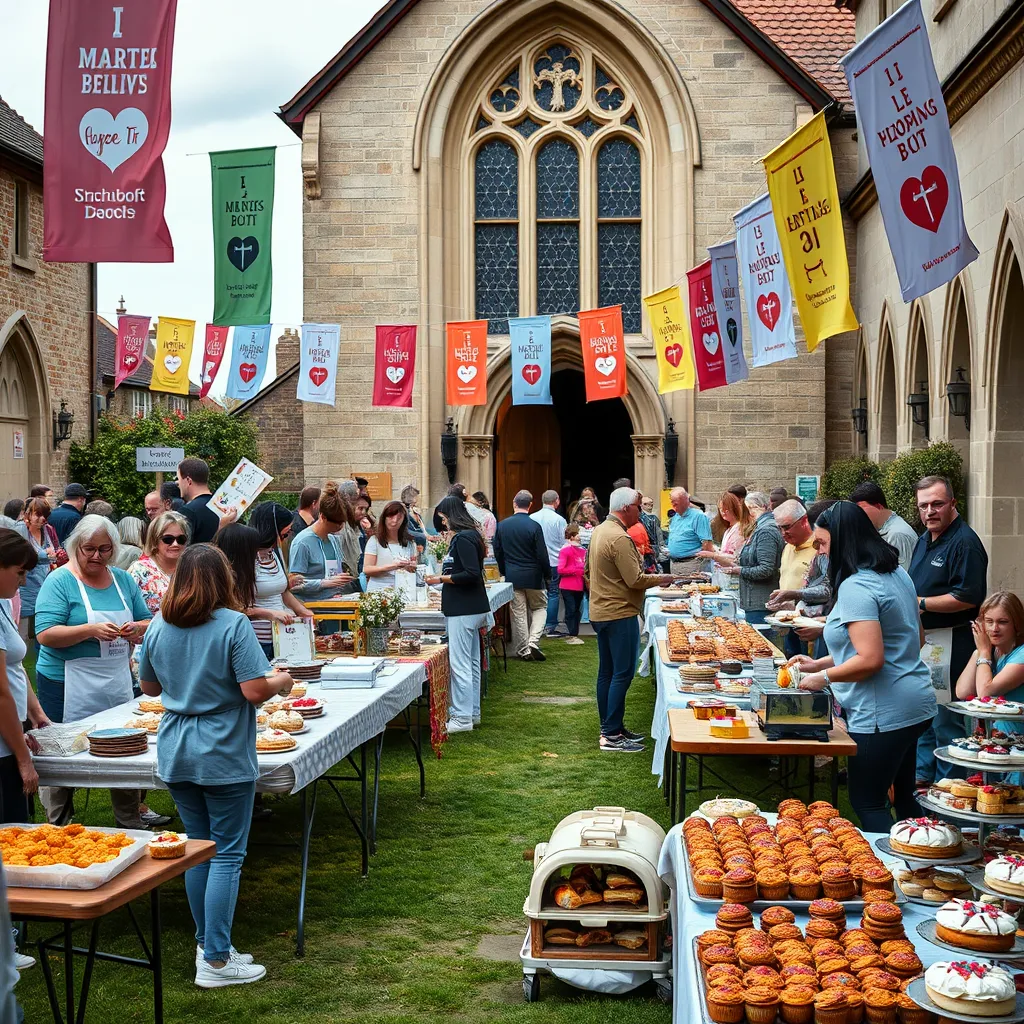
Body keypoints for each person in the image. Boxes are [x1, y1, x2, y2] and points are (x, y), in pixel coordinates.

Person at [139, 544, 294, 988]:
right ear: (223, 579)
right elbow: (253, 691)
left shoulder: (159, 625)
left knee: (199, 850)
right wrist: (281, 680)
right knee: (225, 854)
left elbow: (149, 686)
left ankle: (210, 946)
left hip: (177, 747)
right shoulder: (234, 624)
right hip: (222, 750)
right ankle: (217, 960)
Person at [788, 502, 936, 832]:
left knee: (867, 801)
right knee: (905, 798)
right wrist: (818, 663)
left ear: (844, 542)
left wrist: (821, 678)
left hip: (884, 711)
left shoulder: (857, 586)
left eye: (824, 544)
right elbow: (911, 638)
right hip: (916, 702)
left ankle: (887, 876)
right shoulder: (897, 574)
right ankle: (922, 869)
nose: (820, 552)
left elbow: (870, 659)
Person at [34, 514, 153, 829]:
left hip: (115, 680)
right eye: (89, 549)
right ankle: (58, 823)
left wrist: (135, 628)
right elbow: (45, 634)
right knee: (60, 752)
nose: (97, 556)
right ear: (76, 546)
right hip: (65, 682)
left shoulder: (122, 580)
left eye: (104, 549)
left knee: (124, 747)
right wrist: (89, 630)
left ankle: (129, 820)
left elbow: (149, 621)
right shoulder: (60, 580)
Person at [910, 475, 989, 785]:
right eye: (924, 506)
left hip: (953, 643)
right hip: (926, 643)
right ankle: (922, 782)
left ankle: (950, 787)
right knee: (926, 717)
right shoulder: (924, 539)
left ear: (953, 504)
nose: (930, 511)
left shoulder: (965, 543)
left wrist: (922, 603)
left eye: (937, 504)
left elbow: (967, 596)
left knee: (946, 721)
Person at [587, 487, 673, 753]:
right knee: (621, 674)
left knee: (608, 673)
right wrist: (664, 579)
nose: (641, 510)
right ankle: (611, 734)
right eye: (638, 506)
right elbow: (634, 579)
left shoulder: (601, 530)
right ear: (626, 508)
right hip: (619, 612)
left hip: (602, 611)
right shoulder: (619, 537)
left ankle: (611, 727)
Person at [429, 496, 492, 733]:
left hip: (463, 608)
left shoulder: (464, 538)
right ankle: (471, 712)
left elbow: (470, 573)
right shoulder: (470, 536)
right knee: (472, 662)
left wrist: (440, 579)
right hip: (470, 607)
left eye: (444, 518)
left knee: (461, 664)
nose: (443, 523)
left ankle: (461, 717)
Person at [0, 529, 49, 823]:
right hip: (3, 746)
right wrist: (22, 759)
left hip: (10, 733)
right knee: (11, 833)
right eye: (19, 572)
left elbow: (15, 667)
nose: (24, 581)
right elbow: (1, 692)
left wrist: (35, 712)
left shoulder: (4, 601)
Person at [955, 593, 1024, 741]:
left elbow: (985, 692)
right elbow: (963, 692)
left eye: (1003, 622)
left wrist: (984, 652)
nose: (994, 628)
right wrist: (979, 651)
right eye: (989, 621)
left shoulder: (1021, 653)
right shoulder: (992, 651)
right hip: (998, 738)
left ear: (1016, 624)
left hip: (1019, 742)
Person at [246, 504, 312, 657]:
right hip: (258, 639)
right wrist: (271, 613)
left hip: (283, 634)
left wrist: (303, 612)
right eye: (285, 532)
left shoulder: (274, 553)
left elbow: (283, 592)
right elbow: (240, 607)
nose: (287, 536)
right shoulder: (247, 556)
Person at [493, 490, 550, 662]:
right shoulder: (534, 526)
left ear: (514, 503)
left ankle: (525, 649)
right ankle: (532, 641)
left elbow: (498, 551)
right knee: (540, 608)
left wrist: (504, 571)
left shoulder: (502, 525)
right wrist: (548, 574)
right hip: (534, 575)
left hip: (513, 575)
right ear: (531, 505)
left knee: (518, 613)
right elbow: (542, 554)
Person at [288, 482, 359, 601]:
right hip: (312, 605)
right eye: (337, 523)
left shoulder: (333, 539)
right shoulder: (303, 542)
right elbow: (294, 584)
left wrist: (341, 579)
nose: (340, 527)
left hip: (335, 599)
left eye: (343, 522)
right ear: (323, 517)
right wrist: (325, 583)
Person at [723, 491, 783, 624]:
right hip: (755, 601)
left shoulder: (766, 530)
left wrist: (739, 570)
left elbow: (766, 569)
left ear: (751, 509)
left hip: (761, 603)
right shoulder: (760, 528)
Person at [128, 511, 191, 615]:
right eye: (168, 539)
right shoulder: (139, 571)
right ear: (154, 540)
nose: (175, 544)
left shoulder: (193, 569)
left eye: (181, 539)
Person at [849, 481, 919, 571]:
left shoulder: (896, 535)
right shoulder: (882, 530)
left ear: (879, 507)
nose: (858, 515)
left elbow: (902, 579)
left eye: (861, 509)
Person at [14, 497, 56, 641]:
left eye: (45, 515)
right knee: (21, 635)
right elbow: (23, 557)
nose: (42, 519)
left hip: (42, 586)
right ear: (28, 514)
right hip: (25, 588)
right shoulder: (21, 528)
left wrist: (53, 556)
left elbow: (52, 553)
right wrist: (46, 555)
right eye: (38, 514)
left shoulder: (45, 530)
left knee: (42, 631)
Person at [530, 489, 567, 637]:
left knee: (538, 592)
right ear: (556, 501)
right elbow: (563, 542)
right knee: (553, 593)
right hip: (554, 560)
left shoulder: (532, 517)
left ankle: (535, 624)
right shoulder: (559, 520)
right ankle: (550, 626)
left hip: (536, 561)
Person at [363, 501, 418, 593]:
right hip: (379, 590)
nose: (395, 521)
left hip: (403, 589)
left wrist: (412, 567)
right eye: (391, 516)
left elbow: (414, 568)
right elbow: (367, 569)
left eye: (399, 517)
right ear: (384, 518)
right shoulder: (374, 541)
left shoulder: (409, 543)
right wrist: (393, 566)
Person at [177, 458, 234, 544]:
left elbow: (180, 546)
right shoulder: (228, 509)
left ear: (188, 481)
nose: (177, 483)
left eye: (179, 479)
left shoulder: (187, 512)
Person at [698, 491, 754, 567]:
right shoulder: (728, 529)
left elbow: (736, 557)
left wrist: (714, 555)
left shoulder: (740, 528)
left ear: (734, 509)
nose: (723, 512)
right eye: (721, 509)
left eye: (727, 509)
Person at [666, 487, 713, 576]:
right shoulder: (675, 517)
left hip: (691, 564)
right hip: (674, 564)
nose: (673, 507)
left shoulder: (698, 516)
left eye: (676, 504)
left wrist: (700, 561)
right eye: (672, 503)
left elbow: (707, 543)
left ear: (685, 502)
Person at [557, 524, 586, 644]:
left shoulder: (583, 551)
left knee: (577, 609)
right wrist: (576, 570)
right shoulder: (565, 551)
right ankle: (572, 633)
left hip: (580, 585)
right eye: (579, 533)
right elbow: (560, 569)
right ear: (573, 535)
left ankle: (575, 632)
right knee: (571, 609)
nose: (581, 536)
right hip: (567, 585)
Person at [640, 496, 668, 568]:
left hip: (644, 550)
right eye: (649, 504)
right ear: (642, 505)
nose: (651, 505)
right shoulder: (653, 519)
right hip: (652, 550)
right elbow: (659, 536)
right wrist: (662, 547)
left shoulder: (637, 518)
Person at [401, 485, 430, 549]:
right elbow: (407, 530)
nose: (418, 498)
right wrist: (424, 536)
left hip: (422, 544)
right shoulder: (404, 512)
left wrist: (429, 535)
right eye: (416, 496)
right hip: (411, 545)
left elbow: (422, 529)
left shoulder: (416, 513)